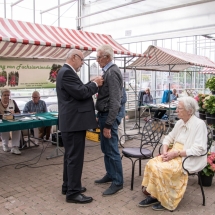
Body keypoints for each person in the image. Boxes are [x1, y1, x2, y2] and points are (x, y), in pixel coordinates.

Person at [138, 96, 207, 211]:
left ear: (189, 111)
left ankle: (167, 200)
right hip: (173, 153)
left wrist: (177, 153)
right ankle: (155, 195)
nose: (176, 110)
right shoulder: (180, 122)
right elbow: (168, 138)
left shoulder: (199, 125)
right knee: (151, 163)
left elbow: (199, 149)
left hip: (187, 157)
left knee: (162, 168)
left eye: (179, 108)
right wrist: (165, 152)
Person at [56, 49, 103, 204]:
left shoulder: (65, 72)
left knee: (70, 156)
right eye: (82, 60)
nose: (83, 64)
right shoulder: (67, 73)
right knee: (75, 158)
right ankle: (73, 192)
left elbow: (79, 89)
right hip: (74, 123)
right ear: (74, 57)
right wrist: (95, 83)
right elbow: (82, 92)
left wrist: (90, 84)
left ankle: (68, 185)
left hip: (71, 122)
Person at [95, 44, 124, 196]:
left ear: (106, 57)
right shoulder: (107, 71)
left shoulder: (112, 73)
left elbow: (115, 101)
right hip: (103, 115)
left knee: (112, 150)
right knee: (106, 149)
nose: (97, 60)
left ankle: (118, 181)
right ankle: (111, 174)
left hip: (108, 117)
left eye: (98, 57)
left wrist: (108, 124)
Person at [0, 88, 21, 155]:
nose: (6, 97)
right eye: (5, 95)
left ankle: (15, 147)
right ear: (1, 96)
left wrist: (14, 113)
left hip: (11, 120)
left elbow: (18, 112)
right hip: (2, 121)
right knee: (5, 128)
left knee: (17, 127)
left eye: (8, 95)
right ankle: (5, 145)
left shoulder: (13, 102)